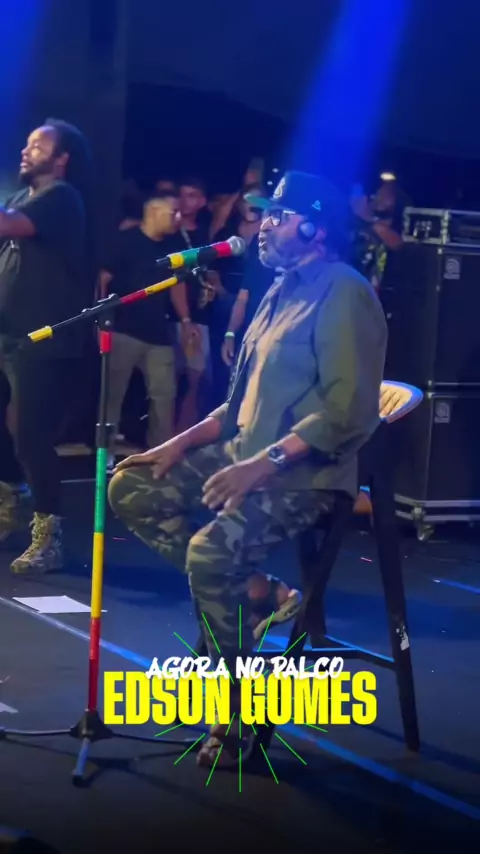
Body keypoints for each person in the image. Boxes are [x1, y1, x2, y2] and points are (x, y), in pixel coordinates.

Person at [108, 171, 388, 768]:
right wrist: (175, 445)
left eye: (279, 216)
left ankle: (240, 709)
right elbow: (235, 407)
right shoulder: (279, 290)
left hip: (306, 474)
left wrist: (263, 464)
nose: (264, 225)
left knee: (210, 556)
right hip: (247, 455)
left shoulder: (344, 292)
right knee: (132, 487)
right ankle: (258, 594)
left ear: (314, 228)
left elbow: (349, 411)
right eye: (265, 214)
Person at [0, 119, 96, 573]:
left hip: (40, 337)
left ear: (61, 160)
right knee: (7, 430)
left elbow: (7, 226)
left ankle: (49, 536)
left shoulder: (61, 198)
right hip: (7, 334)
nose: (26, 150)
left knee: (30, 434)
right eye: (27, 143)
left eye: (38, 146)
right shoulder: (22, 197)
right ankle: (8, 503)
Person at [99, 192, 192, 452]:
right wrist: (101, 321)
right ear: (153, 212)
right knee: (112, 396)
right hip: (123, 330)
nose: (179, 217)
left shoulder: (173, 246)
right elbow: (103, 279)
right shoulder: (125, 241)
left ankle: (159, 454)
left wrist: (186, 320)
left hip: (159, 333)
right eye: (173, 212)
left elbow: (177, 285)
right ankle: (104, 453)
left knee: (165, 396)